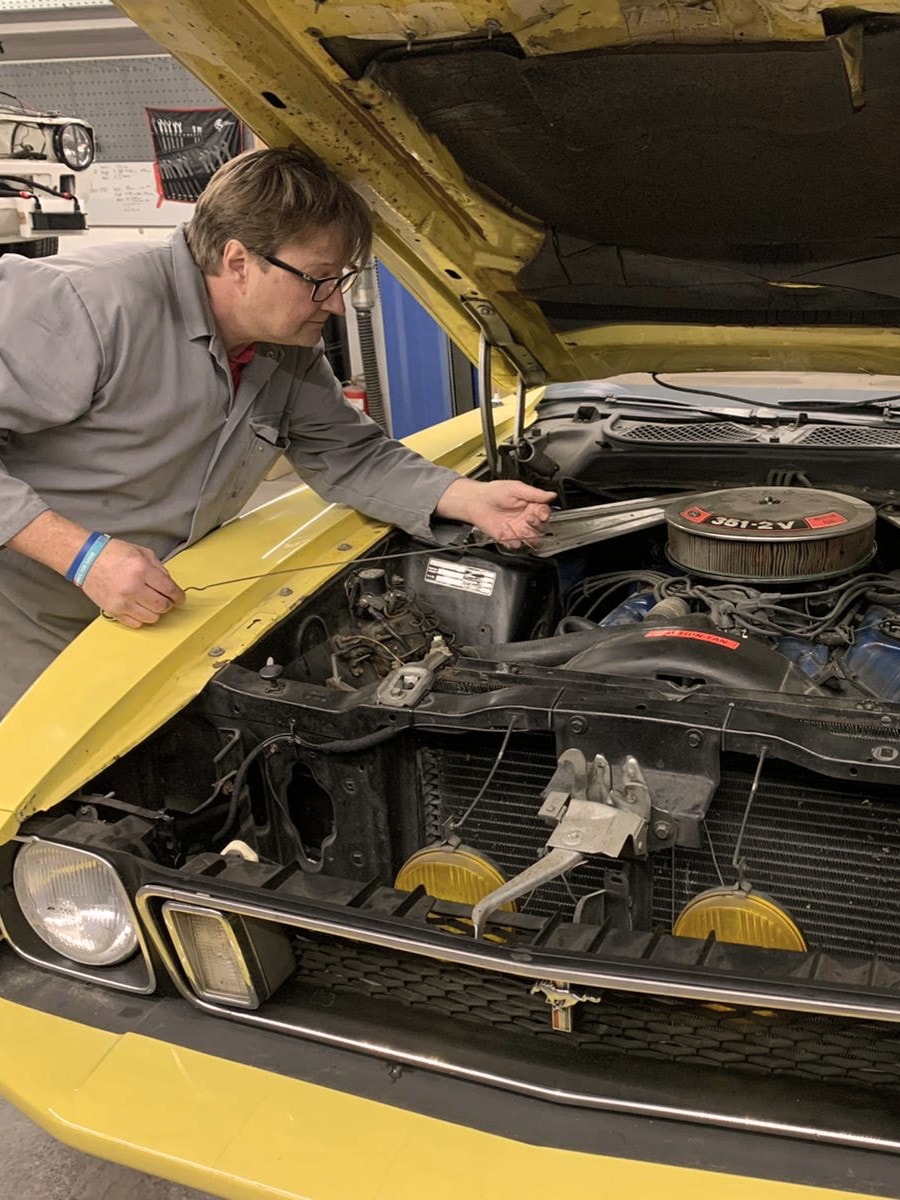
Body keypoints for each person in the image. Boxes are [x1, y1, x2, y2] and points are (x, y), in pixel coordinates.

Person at [0, 147, 554, 717]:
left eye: (342, 279)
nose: (338, 304)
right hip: (27, 619)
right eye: (319, 279)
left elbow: (352, 455)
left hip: (151, 612)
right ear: (239, 261)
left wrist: (473, 499)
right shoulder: (87, 304)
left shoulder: (282, 352)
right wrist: (82, 555)